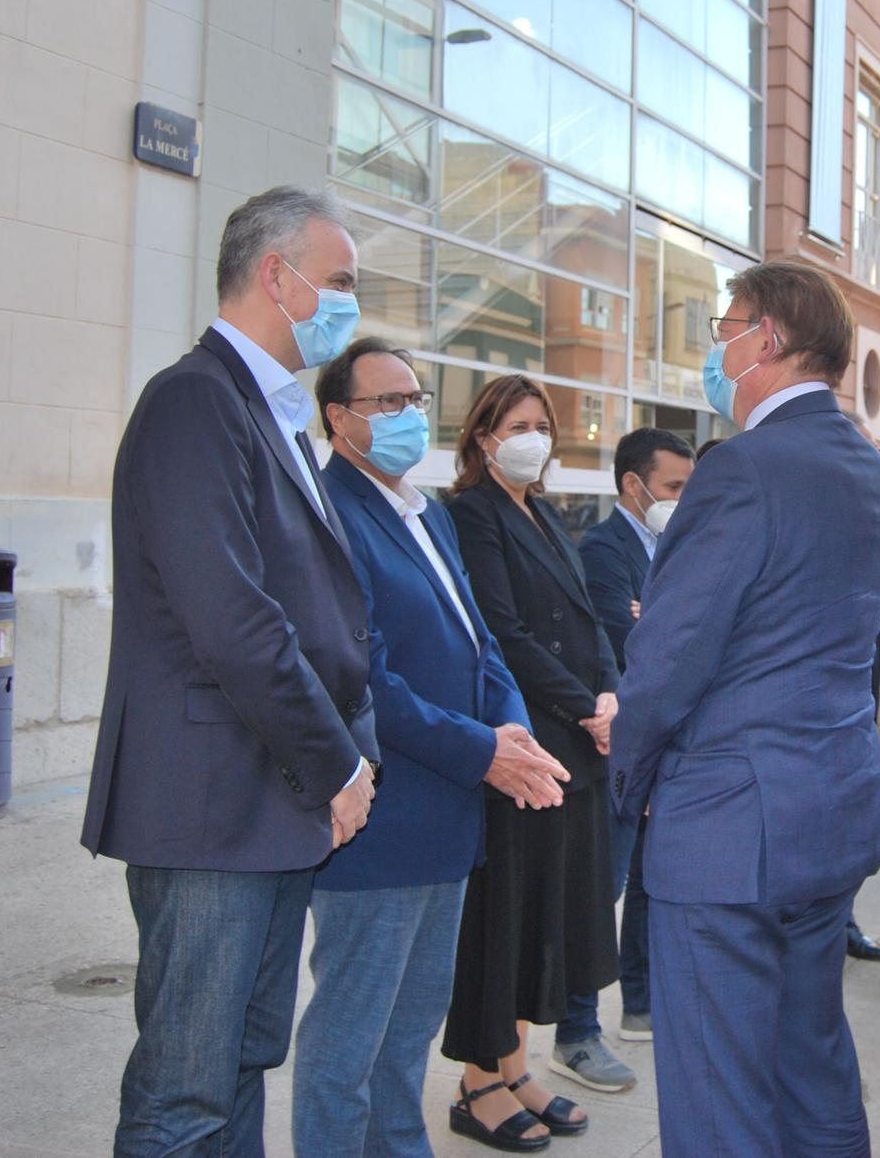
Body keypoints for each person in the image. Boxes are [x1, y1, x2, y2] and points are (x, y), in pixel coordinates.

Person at [79, 186, 381, 1155]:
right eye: (337, 280)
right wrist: (337, 763)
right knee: (184, 1090)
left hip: (266, 804)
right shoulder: (195, 399)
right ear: (273, 274)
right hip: (211, 807)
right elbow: (234, 620)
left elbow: (314, 608)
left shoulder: (265, 408)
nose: (347, 302)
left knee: (242, 1061)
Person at [610, 261, 880, 1157]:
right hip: (828, 813)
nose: (716, 349)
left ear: (766, 339)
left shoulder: (743, 467)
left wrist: (631, 778)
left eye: (724, 327)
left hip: (731, 831)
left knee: (717, 1092)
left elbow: (668, 654)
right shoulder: (862, 461)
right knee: (808, 1068)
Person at [297, 338, 569, 1158]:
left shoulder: (428, 513)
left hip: (450, 823)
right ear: (338, 419)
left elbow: (483, 643)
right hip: (383, 824)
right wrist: (480, 749)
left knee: (409, 1035)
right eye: (385, 402)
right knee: (349, 1045)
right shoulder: (331, 511)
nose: (406, 414)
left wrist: (510, 727)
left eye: (415, 398)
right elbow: (363, 675)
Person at [442, 374, 624, 1138]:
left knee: (549, 916)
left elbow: (587, 621)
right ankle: (478, 1079)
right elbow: (504, 633)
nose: (534, 438)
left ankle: (516, 1067)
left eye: (543, 424)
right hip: (525, 743)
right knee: (507, 917)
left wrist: (613, 691)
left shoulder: (545, 515)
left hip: (576, 747)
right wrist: (586, 707)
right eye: (518, 423)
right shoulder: (471, 515)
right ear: (485, 437)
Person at [571, 427, 696, 1050]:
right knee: (605, 886)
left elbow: (682, 636)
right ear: (633, 483)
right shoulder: (603, 548)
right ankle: (576, 1026)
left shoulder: (676, 547)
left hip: (662, 740)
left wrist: (659, 622)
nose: (683, 498)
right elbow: (628, 642)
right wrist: (658, 627)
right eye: (674, 486)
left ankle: (640, 1003)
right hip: (614, 743)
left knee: (649, 878)